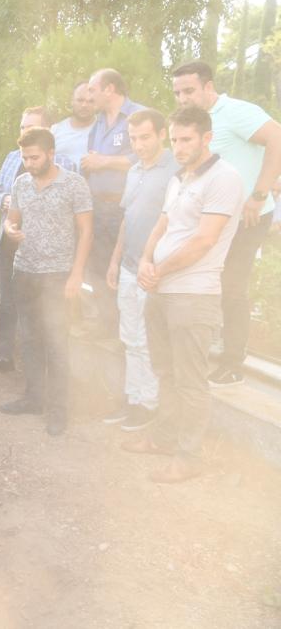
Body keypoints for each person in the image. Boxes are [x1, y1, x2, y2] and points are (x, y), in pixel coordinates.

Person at [123, 106, 244, 483]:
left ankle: (189, 458)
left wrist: (158, 270)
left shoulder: (224, 178)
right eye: (174, 139)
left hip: (193, 295)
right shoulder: (179, 178)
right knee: (166, 372)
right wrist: (145, 260)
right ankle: (164, 438)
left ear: (207, 138)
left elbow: (204, 240)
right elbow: (162, 225)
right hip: (161, 290)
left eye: (186, 139)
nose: (178, 146)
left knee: (190, 381)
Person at [171, 61, 281, 387]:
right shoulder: (195, 122)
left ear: (208, 86)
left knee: (232, 287)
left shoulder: (235, 112)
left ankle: (233, 364)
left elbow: (277, 137)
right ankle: (209, 349)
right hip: (211, 220)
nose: (182, 98)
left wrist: (259, 193)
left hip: (247, 218)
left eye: (189, 90)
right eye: (177, 93)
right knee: (207, 283)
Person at [0, 127, 93, 436]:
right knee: (29, 340)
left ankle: (58, 410)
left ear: (51, 154)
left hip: (57, 275)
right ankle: (33, 398)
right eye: (25, 158)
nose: (29, 163)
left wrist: (77, 274)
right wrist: (11, 230)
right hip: (25, 271)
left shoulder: (74, 184)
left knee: (56, 343)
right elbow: (11, 219)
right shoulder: (21, 183)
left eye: (35, 157)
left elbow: (86, 231)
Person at [0, 106, 76, 376]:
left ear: (48, 131)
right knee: (8, 302)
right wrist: (5, 200)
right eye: (22, 127)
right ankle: (4, 357)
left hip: (46, 253)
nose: (25, 131)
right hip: (10, 243)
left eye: (31, 127)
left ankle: (43, 368)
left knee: (45, 310)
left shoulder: (65, 163)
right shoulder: (12, 158)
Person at [103, 109, 175, 432]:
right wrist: (115, 260)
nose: (139, 144)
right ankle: (133, 398)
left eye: (145, 137)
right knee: (129, 338)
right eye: (133, 138)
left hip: (155, 269)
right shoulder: (133, 171)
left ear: (162, 134)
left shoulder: (175, 169)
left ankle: (149, 404)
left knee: (146, 340)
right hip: (129, 266)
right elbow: (127, 218)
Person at [81, 68, 146, 339]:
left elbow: (145, 156)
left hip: (124, 208)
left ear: (109, 89)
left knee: (124, 268)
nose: (89, 96)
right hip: (97, 206)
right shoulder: (97, 123)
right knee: (97, 267)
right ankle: (106, 327)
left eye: (93, 89)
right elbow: (91, 160)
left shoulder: (138, 116)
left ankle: (127, 331)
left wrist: (104, 161)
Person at [50, 81, 96, 168]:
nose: (84, 105)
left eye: (90, 101)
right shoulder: (55, 130)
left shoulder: (104, 129)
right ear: (72, 101)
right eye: (80, 100)